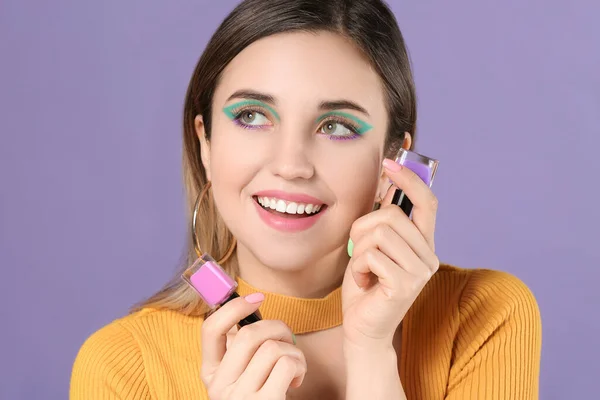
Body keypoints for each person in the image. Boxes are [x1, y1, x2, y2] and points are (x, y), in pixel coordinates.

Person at [70, 0, 542, 399]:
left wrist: (372, 352)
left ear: (392, 162)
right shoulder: (124, 366)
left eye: (337, 126)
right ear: (205, 145)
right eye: (253, 116)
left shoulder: (482, 317)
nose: (291, 164)